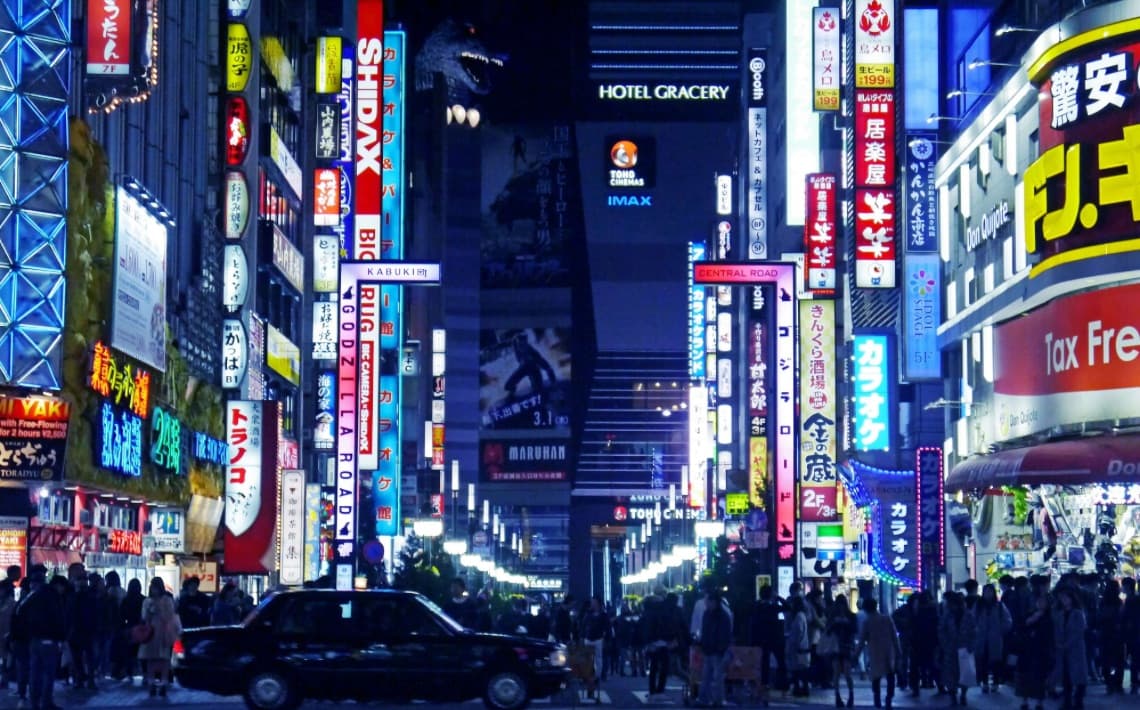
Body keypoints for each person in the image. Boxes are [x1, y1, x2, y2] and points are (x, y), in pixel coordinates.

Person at [23, 569, 66, 710]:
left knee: (35, 672)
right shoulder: (52, 597)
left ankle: (35, 702)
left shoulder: (32, 597)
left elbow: (23, 615)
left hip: (35, 639)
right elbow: (58, 618)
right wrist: (60, 638)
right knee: (48, 672)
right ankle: (46, 702)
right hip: (48, 639)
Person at [138, 577, 181, 697]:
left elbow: (169, 615)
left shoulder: (167, 600)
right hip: (150, 632)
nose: (154, 590)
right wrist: (150, 612)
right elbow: (144, 616)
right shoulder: (147, 601)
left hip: (164, 631)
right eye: (152, 587)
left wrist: (159, 610)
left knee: (164, 659)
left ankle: (163, 683)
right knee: (151, 658)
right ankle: (152, 682)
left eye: (156, 587)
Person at [1014, 591, 1053, 710]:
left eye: (1043, 601)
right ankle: (1024, 700)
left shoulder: (1050, 617)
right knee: (1025, 676)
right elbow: (1021, 628)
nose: (1040, 604)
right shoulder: (1029, 614)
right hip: (1027, 650)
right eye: (1039, 601)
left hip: (1041, 651)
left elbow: (1050, 634)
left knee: (1040, 677)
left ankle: (1039, 702)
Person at [858, 598, 900, 709]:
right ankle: (889, 699)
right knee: (890, 676)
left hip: (875, 652)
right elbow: (894, 636)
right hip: (888, 651)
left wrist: (856, 654)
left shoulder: (867, 622)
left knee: (876, 677)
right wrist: (898, 650)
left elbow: (862, 640)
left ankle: (877, 699)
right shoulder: (887, 619)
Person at [939, 591, 977, 707]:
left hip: (965, 648)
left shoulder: (968, 615)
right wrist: (945, 644)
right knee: (950, 674)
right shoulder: (947, 615)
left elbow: (974, 631)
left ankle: (963, 695)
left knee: (965, 673)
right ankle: (953, 696)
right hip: (950, 649)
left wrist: (971, 645)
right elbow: (941, 630)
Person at [696, 587, 732, 708]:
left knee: (716, 677)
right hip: (710, 650)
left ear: (714, 602)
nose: (706, 604)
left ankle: (717, 700)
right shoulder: (711, 614)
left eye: (708, 601)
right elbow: (705, 631)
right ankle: (706, 699)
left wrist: (720, 649)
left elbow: (725, 635)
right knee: (707, 676)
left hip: (717, 651)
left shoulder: (722, 616)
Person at [1055, 586, 1088, 710]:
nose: (1064, 600)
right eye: (1062, 598)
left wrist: (1066, 644)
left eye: (1066, 597)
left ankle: (1078, 701)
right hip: (1064, 650)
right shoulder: (1060, 614)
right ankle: (1068, 701)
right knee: (1066, 676)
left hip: (1076, 648)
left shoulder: (1078, 613)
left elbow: (1079, 631)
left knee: (1079, 676)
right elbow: (1058, 631)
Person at [750, 584, 785, 703]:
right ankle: (780, 686)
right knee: (780, 661)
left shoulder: (757, 606)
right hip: (774, 638)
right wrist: (778, 597)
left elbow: (752, 623)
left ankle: (762, 687)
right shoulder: (773, 607)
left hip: (760, 639)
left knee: (763, 663)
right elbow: (788, 608)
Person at [975, 583, 1011, 693]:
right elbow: (971, 619)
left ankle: (995, 682)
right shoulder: (978, 606)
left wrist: (1000, 631)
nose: (988, 594)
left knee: (996, 662)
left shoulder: (999, 606)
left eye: (990, 591)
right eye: (986, 592)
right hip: (981, 638)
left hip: (995, 638)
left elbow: (1007, 621)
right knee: (983, 661)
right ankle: (985, 682)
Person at [641, 585, 673, 696]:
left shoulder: (648, 606)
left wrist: (647, 641)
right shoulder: (664, 607)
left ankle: (652, 689)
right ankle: (660, 688)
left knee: (654, 666)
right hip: (663, 639)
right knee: (664, 666)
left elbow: (646, 625)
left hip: (652, 640)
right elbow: (668, 624)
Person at [827, 595, 857, 708]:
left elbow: (854, 630)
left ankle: (844, 696)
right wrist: (837, 623)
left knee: (843, 673)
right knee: (839, 673)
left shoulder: (848, 616)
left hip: (844, 646)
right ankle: (842, 696)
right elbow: (828, 631)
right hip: (841, 646)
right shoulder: (840, 616)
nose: (841, 607)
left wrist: (841, 623)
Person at [1096, 579, 1125, 694]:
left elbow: (1099, 618)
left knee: (1106, 660)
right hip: (1117, 634)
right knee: (1119, 660)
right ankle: (1118, 684)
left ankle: (1109, 684)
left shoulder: (1102, 602)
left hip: (1105, 634)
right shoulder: (1118, 602)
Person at [580, 597, 610, 689]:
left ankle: (597, 677)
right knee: (587, 659)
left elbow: (607, 627)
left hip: (598, 638)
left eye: (594, 602)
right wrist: (583, 636)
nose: (592, 604)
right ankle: (587, 676)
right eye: (592, 602)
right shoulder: (588, 614)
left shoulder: (603, 615)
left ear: (598, 603)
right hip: (588, 638)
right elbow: (583, 625)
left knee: (598, 659)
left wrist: (605, 638)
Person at [785, 596, 811, 697]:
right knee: (801, 670)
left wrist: (793, 645)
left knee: (797, 669)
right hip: (802, 646)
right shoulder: (802, 615)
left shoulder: (798, 616)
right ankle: (802, 688)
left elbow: (798, 632)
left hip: (798, 647)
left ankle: (799, 689)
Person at [1123, 577, 1140, 694]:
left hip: (1133, 633)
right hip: (1134, 632)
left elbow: (1126, 617)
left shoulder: (1131, 600)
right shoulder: (1134, 599)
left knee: (1134, 658)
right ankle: (1135, 682)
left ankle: (1135, 683)